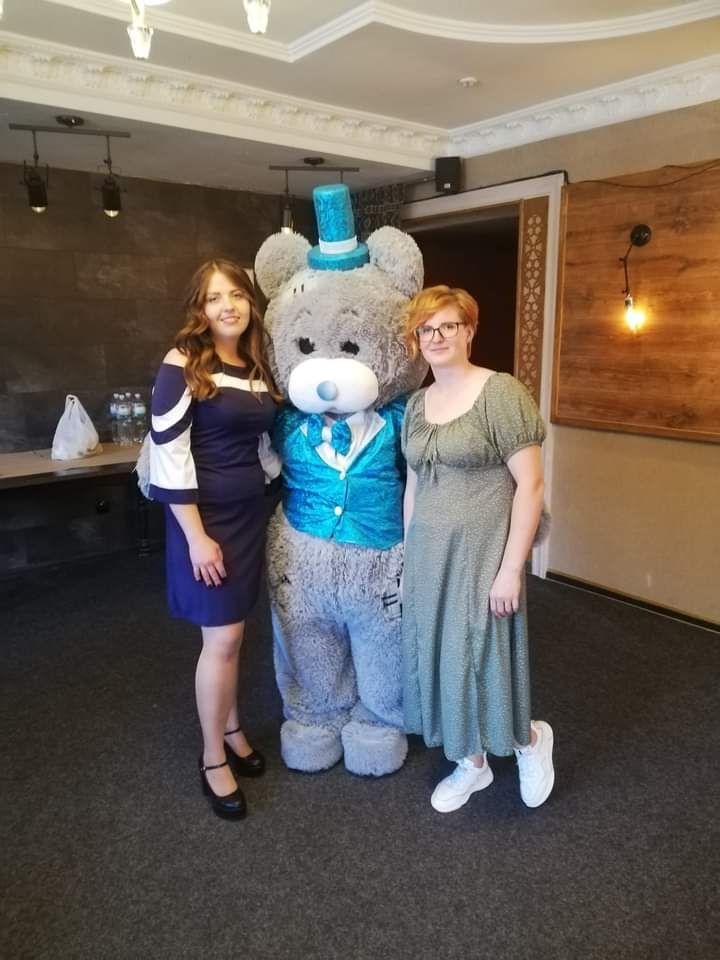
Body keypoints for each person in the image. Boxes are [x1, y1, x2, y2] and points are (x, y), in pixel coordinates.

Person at [401, 285, 554, 813]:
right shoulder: (416, 404)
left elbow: (531, 485)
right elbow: (415, 485)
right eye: (426, 329)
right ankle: (472, 762)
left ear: (469, 331)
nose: (437, 336)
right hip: (429, 555)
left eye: (448, 325)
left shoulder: (500, 392)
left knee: (484, 654)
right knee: (443, 655)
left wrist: (512, 569)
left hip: (484, 554)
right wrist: (409, 558)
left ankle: (529, 740)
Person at [148, 259, 281, 820]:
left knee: (233, 634)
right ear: (199, 309)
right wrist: (197, 538)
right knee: (222, 638)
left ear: (250, 302)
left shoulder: (255, 365)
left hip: (248, 515)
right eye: (214, 297)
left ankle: (231, 727)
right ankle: (211, 757)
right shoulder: (182, 362)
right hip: (203, 521)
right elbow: (169, 453)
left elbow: (262, 444)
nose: (228, 306)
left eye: (236, 295)